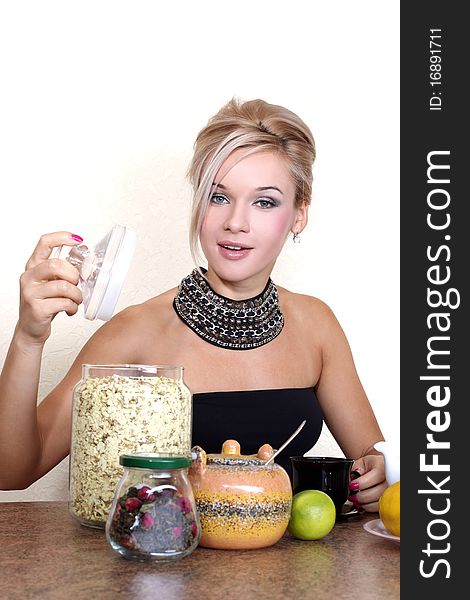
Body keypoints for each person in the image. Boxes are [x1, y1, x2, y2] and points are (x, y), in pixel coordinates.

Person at [0, 97, 387, 512]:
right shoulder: (137, 332)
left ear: (298, 215)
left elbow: (373, 457)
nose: (235, 222)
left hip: (295, 569)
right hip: (166, 565)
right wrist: (29, 337)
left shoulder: (316, 325)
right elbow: (14, 471)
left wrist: (378, 472)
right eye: (218, 197)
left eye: (265, 201)